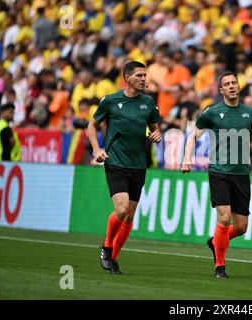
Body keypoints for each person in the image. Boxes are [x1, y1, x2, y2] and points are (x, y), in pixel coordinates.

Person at [181, 71, 252, 279]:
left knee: (241, 227)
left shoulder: (249, 112)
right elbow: (193, 135)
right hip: (219, 171)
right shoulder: (212, 111)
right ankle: (220, 267)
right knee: (225, 217)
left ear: (238, 86)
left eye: (234, 83)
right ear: (221, 90)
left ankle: (215, 241)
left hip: (241, 173)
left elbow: (251, 138)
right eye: (226, 84)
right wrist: (187, 158)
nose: (231, 86)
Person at [86, 61, 162, 275]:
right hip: (116, 162)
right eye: (139, 75)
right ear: (126, 77)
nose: (143, 79)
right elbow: (91, 126)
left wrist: (157, 134)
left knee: (129, 216)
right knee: (121, 210)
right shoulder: (110, 101)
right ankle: (107, 247)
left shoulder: (149, 103)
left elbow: (155, 128)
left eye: (145, 75)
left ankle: (114, 258)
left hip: (138, 165)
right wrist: (96, 149)